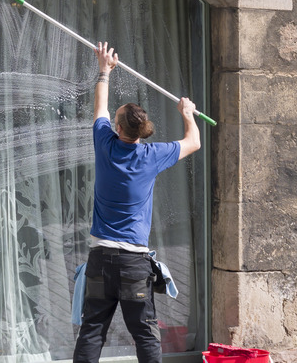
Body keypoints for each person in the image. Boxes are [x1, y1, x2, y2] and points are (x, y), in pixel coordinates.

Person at [73, 42, 202, 363]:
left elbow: (99, 108)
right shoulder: (152, 155)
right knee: (144, 333)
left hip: (100, 259)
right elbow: (194, 142)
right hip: (133, 264)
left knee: (92, 330)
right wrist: (187, 114)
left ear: (118, 129)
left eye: (116, 118)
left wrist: (104, 70)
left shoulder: (105, 144)